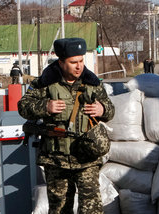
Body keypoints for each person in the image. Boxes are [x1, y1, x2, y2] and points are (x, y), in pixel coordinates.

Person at [18, 38, 115, 213]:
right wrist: (45, 107)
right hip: (56, 158)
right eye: (73, 62)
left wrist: (102, 109)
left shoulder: (92, 84)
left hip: (86, 157)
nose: (79, 66)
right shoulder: (45, 84)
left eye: (81, 61)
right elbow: (23, 107)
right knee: (60, 208)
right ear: (61, 63)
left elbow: (110, 110)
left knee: (91, 208)